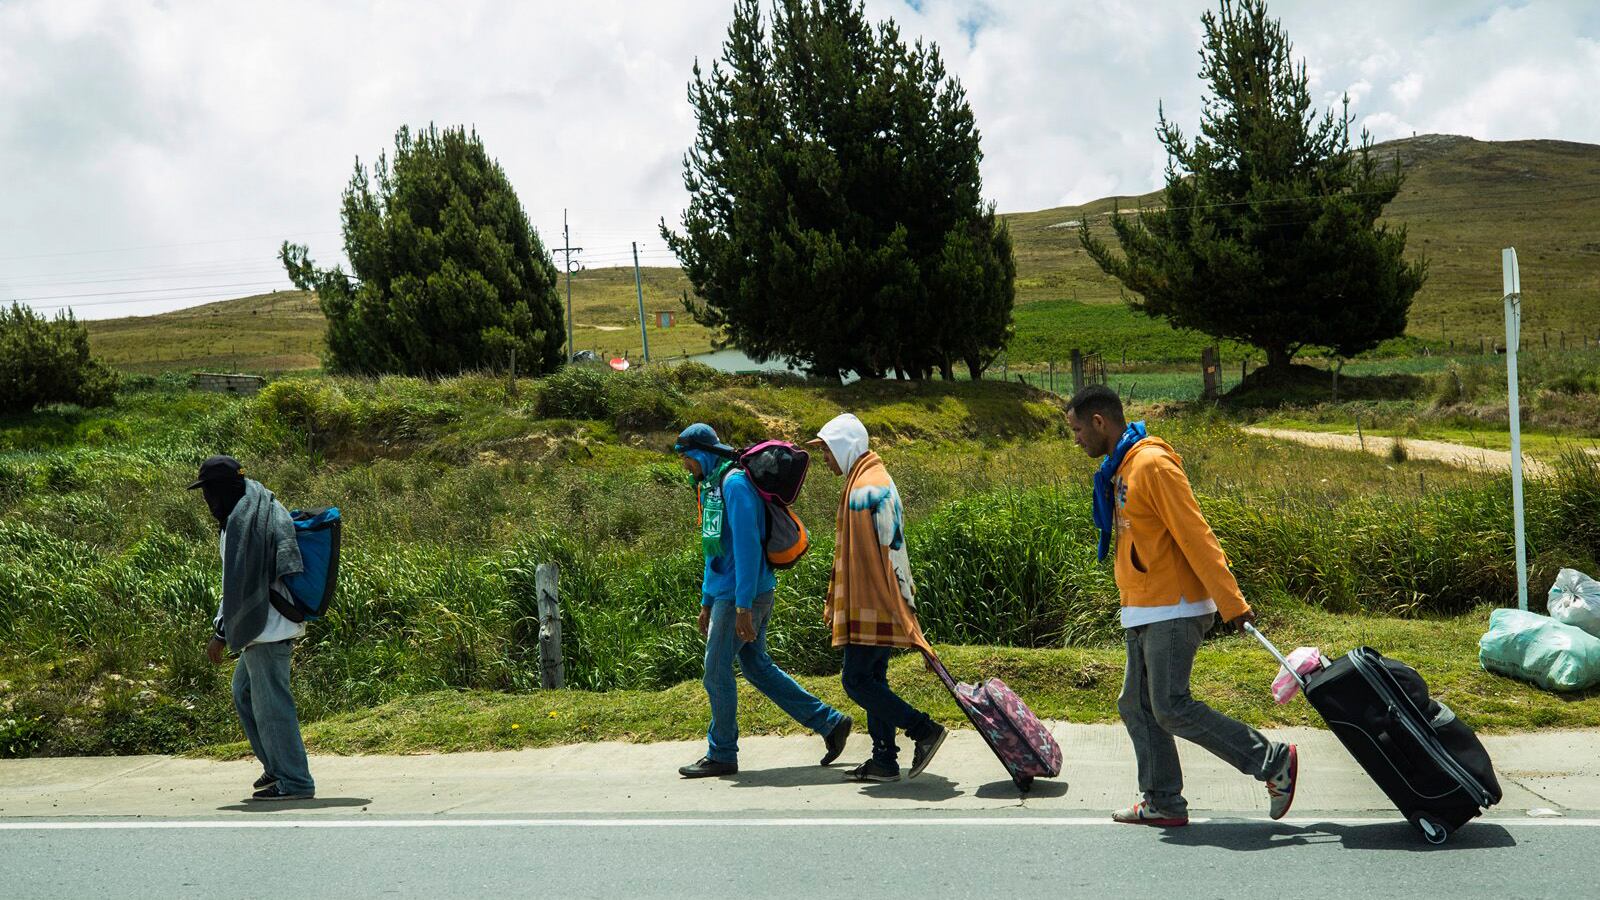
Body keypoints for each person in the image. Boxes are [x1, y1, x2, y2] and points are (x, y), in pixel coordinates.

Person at [1065, 386, 1297, 826]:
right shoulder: (1122, 467)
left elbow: (1195, 533)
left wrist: (1233, 602)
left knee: (1170, 705)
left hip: (1175, 607)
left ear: (1099, 422)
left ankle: (1273, 761)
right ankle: (1163, 802)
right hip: (1145, 607)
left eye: (1077, 429)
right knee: (1136, 705)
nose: (1075, 439)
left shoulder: (1151, 464)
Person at [672, 424, 852, 778]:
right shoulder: (712, 487)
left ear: (702, 453)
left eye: (688, 459)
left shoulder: (735, 485)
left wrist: (742, 607)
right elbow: (715, 550)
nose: (686, 467)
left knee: (715, 670)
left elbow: (748, 546)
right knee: (755, 666)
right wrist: (706, 601)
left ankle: (722, 752)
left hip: (745, 594)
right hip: (731, 593)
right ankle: (830, 723)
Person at [808, 413, 946, 783]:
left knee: (856, 681)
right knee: (874, 680)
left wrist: (899, 604)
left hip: (874, 601)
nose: (824, 459)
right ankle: (884, 760)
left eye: (826, 450)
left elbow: (891, 550)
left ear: (844, 446)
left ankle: (923, 730)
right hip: (874, 599)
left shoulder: (867, 488)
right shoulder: (869, 480)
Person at [192, 454, 315, 801]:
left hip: (266, 628)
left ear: (222, 491)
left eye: (209, 491)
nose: (207, 500)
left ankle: (295, 781)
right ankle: (277, 768)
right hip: (271, 624)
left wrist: (220, 634)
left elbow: (237, 587)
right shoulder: (261, 505)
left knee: (272, 707)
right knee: (244, 692)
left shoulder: (240, 525)